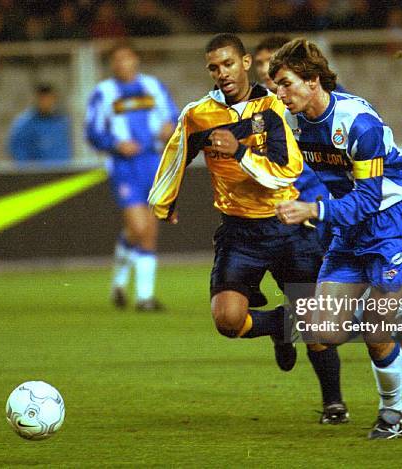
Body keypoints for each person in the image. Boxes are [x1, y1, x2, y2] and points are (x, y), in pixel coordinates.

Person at [149, 33, 348, 425]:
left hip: (288, 226)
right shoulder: (198, 115)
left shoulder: (273, 106)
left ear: (244, 63)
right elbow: (175, 156)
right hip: (240, 233)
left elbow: (285, 171)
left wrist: (239, 152)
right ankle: (280, 326)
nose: (221, 73)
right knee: (227, 320)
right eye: (213, 67)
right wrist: (164, 201)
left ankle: (334, 403)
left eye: (227, 64)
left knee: (319, 326)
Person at [269, 38, 402, 439]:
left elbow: (368, 197)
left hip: (391, 223)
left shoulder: (357, 125)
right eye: (275, 86)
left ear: (313, 80)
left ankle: (393, 413)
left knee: (375, 329)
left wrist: (313, 210)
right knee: (323, 331)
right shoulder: (293, 119)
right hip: (350, 228)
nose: (279, 94)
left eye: (285, 83)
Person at [85, 42, 178, 312]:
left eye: (127, 58)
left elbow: (172, 116)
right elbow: (92, 131)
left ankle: (144, 297)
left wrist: (168, 127)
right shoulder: (103, 93)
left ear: (136, 59)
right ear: (111, 64)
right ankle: (120, 280)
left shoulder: (153, 86)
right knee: (138, 227)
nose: (123, 64)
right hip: (125, 165)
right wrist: (115, 144)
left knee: (148, 229)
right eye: (117, 60)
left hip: (154, 162)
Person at [7, 83, 72, 165]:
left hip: (62, 170)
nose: (47, 102)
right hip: (37, 173)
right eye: (43, 99)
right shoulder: (25, 123)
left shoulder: (61, 121)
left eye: (50, 98)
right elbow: (18, 149)